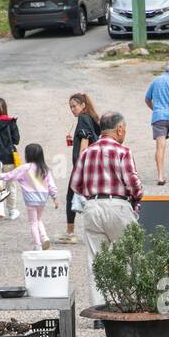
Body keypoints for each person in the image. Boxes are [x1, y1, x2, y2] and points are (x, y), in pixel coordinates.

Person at [69, 111, 143, 313]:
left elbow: (75, 184)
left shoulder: (87, 152)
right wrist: (137, 198)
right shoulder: (122, 152)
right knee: (129, 256)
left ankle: (100, 311)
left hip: (93, 207)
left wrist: (92, 195)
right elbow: (133, 184)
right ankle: (128, 304)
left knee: (96, 261)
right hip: (118, 206)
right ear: (119, 129)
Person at [0, 144, 59, 251]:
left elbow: (9, 176)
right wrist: (54, 197)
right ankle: (44, 237)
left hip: (31, 200)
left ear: (28, 155)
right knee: (38, 219)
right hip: (42, 199)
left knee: (33, 222)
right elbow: (51, 185)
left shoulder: (25, 168)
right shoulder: (44, 168)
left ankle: (38, 245)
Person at [62, 92, 100, 243]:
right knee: (90, 198)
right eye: (70, 107)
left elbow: (85, 142)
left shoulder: (83, 119)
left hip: (82, 165)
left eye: (74, 106)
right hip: (92, 165)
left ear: (83, 105)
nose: (72, 109)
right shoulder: (91, 118)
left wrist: (80, 167)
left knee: (71, 196)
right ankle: (95, 229)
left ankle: (70, 232)